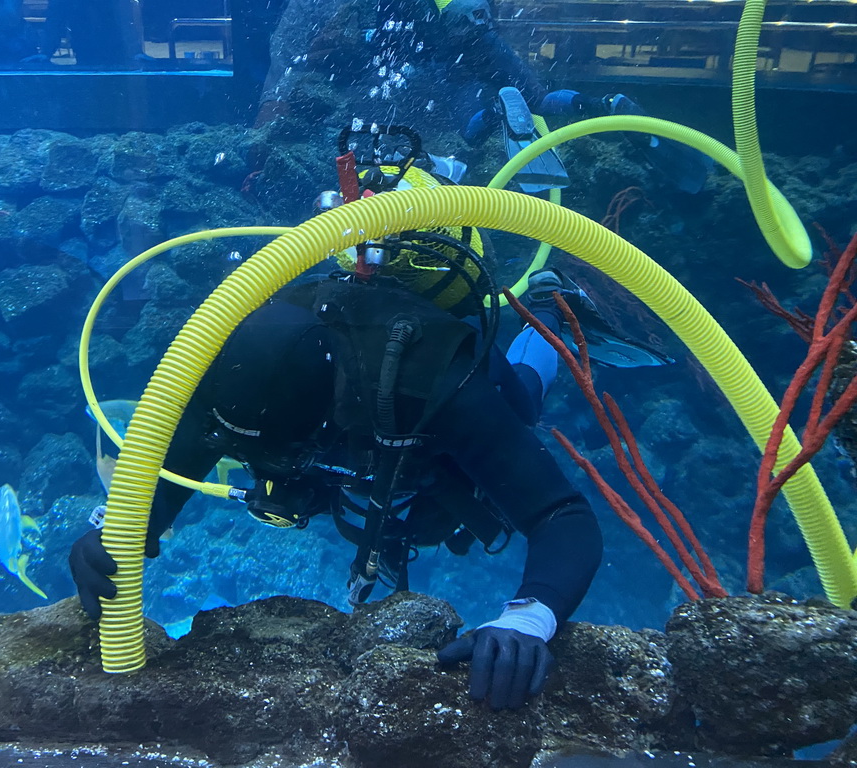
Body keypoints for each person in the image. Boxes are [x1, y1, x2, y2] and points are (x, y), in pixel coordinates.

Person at [69, 133, 613, 711]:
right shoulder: (228, 373)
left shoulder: (430, 381)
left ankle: (550, 310)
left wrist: (531, 618)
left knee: (523, 397)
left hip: (435, 409)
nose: (236, 442)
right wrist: (116, 537)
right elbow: (163, 471)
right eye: (233, 432)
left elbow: (562, 515)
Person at [255, 0, 711, 193]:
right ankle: (601, 107)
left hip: (434, 44)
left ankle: (493, 109)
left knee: (470, 126)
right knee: (537, 98)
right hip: (475, 26)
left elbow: (368, 36)